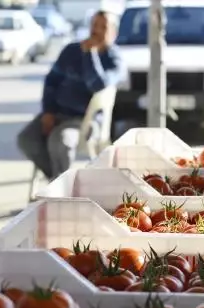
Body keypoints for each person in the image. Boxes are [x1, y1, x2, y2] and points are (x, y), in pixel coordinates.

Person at [17, 10, 126, 180]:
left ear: (113, 32)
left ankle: (60, 185)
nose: (96, 31)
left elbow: (97, 85)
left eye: (103, 27)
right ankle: (57, 180)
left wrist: (91, 54)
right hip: (57, 113)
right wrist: (48, 111)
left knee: (60, 142)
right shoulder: (71, 50)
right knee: (26, 139)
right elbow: (51, 81)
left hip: (84, 121)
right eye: (94, 25)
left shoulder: (115, 60)